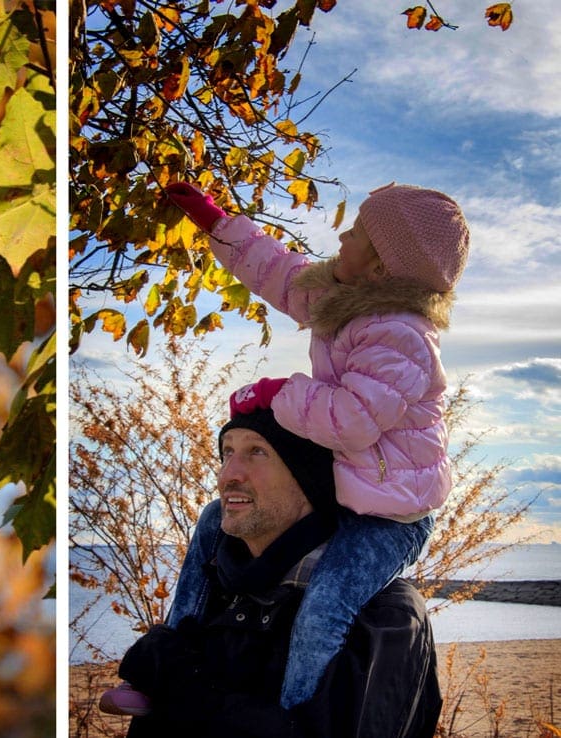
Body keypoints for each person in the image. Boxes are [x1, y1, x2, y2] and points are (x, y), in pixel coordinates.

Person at [160, 180, 468, 707]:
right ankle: (168, 665)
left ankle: (295, 714)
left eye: (359, 232)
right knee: (215, 522)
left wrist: (280, 392)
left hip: (390, 519)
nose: (343, 235)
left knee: (326, 605)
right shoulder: (343, 300)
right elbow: (279, 271)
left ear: (380, 266)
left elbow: (350, 421)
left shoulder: (401, 335)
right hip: (342, 490)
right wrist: (216, 223)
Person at [104, 383, 442, 737]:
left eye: (257, 452)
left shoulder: (384, 616)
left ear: (309, 480)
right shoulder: (213, 595)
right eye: (227, 452)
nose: (228, 474)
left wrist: (187, 694)